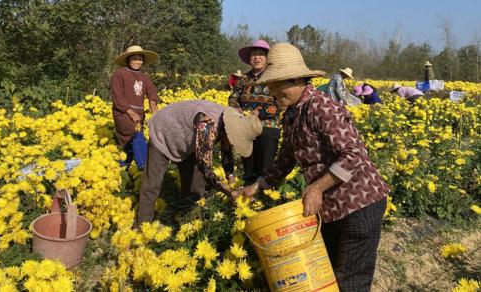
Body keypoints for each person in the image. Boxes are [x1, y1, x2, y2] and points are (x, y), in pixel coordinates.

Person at [232, 43, 389, 292]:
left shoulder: (322, 107)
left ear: (297, 79)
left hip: (360, 203)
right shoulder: (292, 115)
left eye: (276, 85)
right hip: (332, 206)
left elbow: (353, 154)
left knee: (351, 281)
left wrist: (317, 187)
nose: (272, 91)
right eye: (270, 86)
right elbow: (284, 161)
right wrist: (255, 187)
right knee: (325, 272)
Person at [138, 100, 262, 224]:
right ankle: (142, 226)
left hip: (189, 139)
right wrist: (228, 192)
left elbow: (226, 150)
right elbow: (205, 168)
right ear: (232, 132)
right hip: (165, 129)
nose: (235, 144)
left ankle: (186, 220)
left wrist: (231, 178)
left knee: (195, 186)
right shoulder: (208, 124)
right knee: (152, 184)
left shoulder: (231, 123)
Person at [229, 40, 282, 185]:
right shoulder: (244, 79)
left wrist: (261, 113)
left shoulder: (274, 78)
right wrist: (236, 108)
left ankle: (265, 200)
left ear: (266, 58)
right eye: (254, 55)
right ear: (249, 59)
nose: (257, 58)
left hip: (268, 127)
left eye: (260, 55)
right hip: (246, 128)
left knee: (265, 168)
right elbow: (233, 97)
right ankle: (247, 202)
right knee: (249, 169)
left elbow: (280, 102)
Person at [110, 45, 159, 169]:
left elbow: (152, 91)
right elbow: (117, 96)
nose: (138, 62)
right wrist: (130, 112)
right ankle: (146, 166)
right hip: (123, 113)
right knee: (136, 136)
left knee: (128, 143)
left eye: (140, 59)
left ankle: (123, 167)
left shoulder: (144, 77)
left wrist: (153, 104)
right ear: (128, 59)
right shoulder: (119, 74)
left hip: (139, 114)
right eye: (135, 58)